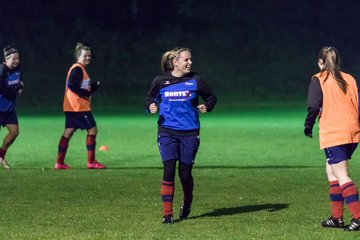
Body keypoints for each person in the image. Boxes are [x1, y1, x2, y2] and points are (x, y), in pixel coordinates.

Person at [145, 47, 217, 224]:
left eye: (190, 59)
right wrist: (150, 107)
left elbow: (211, 97)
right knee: (168, 171)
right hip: (167, 132)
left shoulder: (196, 80)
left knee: (184, 175)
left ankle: (187, 201)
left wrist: (207, 106)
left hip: (190, 133)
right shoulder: (161, 80)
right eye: (186, 60)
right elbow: (149, 99)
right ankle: (167, 214)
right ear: (174, 62)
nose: (190, 62)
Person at [304, 46, 360, 231]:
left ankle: (358, 218)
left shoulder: (319, 79)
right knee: (332, 172)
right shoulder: (349, 78)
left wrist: (308, 126)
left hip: (335, 133)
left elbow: (313, 106)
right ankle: (337, 218)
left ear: (321, 62)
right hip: (352, 132)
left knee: (342, 175)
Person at [55, 43, 105, 170]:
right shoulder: (77, 68)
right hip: (79, 108)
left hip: (71, 107)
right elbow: (72, 85)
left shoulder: (79, 69)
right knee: (93, 130)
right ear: (79, 57)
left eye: (89, 55)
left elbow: (82, 88)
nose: (88, 58)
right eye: (85, 56)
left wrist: (93, 86)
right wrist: (85, 93)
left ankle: (59, 163)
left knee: (68, 132)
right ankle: (91, 162)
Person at [0, 46, 24, 169]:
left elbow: (19, 80)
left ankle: (1, 155)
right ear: (6, 59)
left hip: (9, 109)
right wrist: (16, 88)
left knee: (14, 132)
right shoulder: (2, 70)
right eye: (14, 59)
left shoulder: (18, 69)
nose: (16, 61)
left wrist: (20, 86)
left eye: (18, 58)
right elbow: (2, 89)